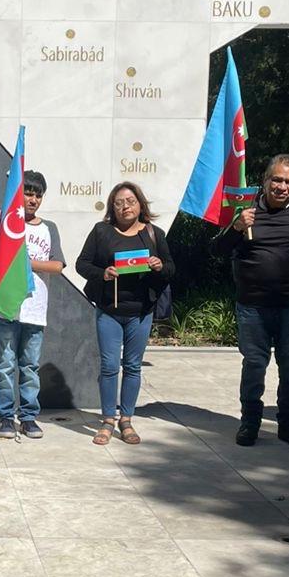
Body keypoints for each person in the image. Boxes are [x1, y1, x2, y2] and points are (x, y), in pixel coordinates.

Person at [214, 153, 289, 449]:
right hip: (253, 307)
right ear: (264, 181)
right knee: (254, 364)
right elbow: (219, 250)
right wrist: (237, 228)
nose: (282, 186)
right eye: (276, 179)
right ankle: (249, 423)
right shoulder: (245, 211)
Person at [0, 170, 65, 439]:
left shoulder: (48, 228)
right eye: (27, 194)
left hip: (34, 308)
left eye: (37, 195)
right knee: (5, 364)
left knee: (30, 365)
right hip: (6, 305)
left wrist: (26, 264)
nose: (32, 200)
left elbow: (57, 265)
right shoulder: (3, 226)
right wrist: (4, 212)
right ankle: (6, 416)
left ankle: (29, 417)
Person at [75, 181, 174, 446]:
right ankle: (108, 419)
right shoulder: (102, 231)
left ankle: (126, 419)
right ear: (112, 207)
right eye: (119, 202)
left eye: (130, 201)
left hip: (141, 312)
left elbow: (171, 269)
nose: (125, 206)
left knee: (132, 366)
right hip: (109, 310)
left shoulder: (154, 234)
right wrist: (103, 273)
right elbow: (81, 264)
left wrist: (158, 265)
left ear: (140, 204)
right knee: (109, 366)